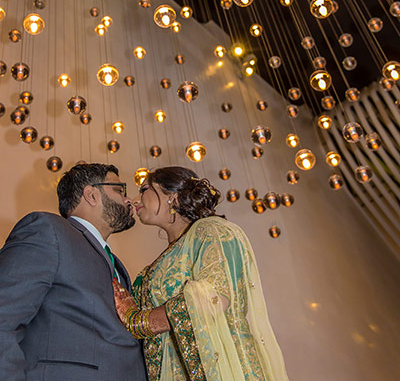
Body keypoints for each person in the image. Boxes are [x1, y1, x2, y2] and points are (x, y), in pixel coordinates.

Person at [113, 166, 289, 381]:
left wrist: (140, 323)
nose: (135, 199)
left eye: (144, 189)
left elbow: (214, 297)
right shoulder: (166, 258)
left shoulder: (212, 230)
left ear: (172, 197)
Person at [0, 162, 147, 381]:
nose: (129, 200)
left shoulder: (115, 263)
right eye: (119, 190)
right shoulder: (47, 229)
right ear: (91, 195)